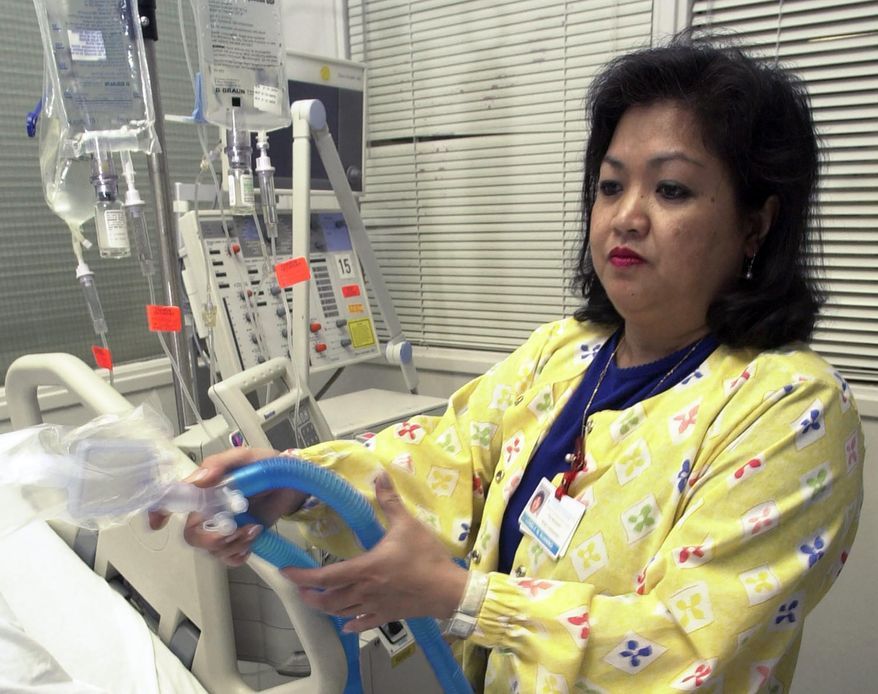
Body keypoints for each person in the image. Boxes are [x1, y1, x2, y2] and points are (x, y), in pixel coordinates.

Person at [156, 36, 865, 693]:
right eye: (611, 186)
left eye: (671, 189)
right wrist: (295, 485)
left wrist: (463, 600)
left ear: (756, 222)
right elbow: (441, 462)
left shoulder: (791, 407)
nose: (626, 216)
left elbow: (691, 651)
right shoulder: (568, 352)